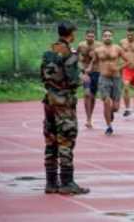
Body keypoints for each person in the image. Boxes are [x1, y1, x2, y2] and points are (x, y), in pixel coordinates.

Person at [41, 21, 89, 195]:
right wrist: (82, 78)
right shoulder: (69, 53)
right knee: (66, 140)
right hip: (64, 103)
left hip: (49, 101)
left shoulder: (49, 52)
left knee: (51, 141)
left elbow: (43, 76)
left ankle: (51, 182)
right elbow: (73, 80)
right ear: (71, 34)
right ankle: (67, 182)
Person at [88, 29, 130, 136]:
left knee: (115, 107)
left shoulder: (117, 48)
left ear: (112, 37)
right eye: (105, 35)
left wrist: (118, 67)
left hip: (116, 78)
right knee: (106, 102)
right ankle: (109, 126)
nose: (107, 37)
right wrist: (88, 70)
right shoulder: (98, 50)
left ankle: (110, 112)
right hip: (104, 78)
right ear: (102, 37)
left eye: (109, 35)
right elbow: (93, 62)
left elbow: (128, 61)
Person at [77, 29, 101, 129]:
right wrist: (81, 65)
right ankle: (88, 119)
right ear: (85, 36)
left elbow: (103, 58)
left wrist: (95, 57)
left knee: (92, 96)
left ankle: (90, 116)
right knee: (87, 94)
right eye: (88, 36)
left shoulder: (99, 45)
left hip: (96, 71)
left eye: (92, 36)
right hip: (85, 72)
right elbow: (76, 57)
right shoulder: (81, 45)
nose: (90, 38)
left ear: (95, 37)